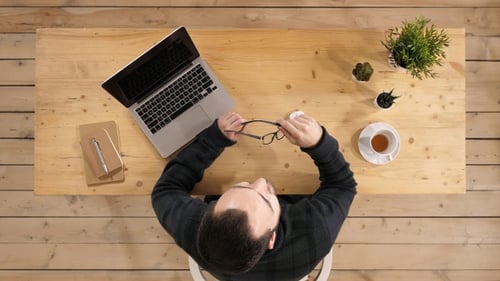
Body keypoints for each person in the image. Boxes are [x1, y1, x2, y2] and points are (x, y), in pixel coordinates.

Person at [151, 111, 357, 281]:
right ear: (272, 238)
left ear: (208, 213)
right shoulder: (316, 230)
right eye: (266, 200)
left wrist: (212, 141)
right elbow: (343, 185)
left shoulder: (193, 231)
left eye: (241, 187)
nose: (261, 180)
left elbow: (165, 189)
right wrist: (318, 143)